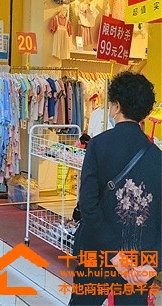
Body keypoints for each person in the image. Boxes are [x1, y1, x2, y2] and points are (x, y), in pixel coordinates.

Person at [70, 71, 160, 306]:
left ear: (116, 106)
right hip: (140, 261)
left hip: (97, 253)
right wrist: (153, 266)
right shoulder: (157, 158)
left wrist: (115, 255)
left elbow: (88, 205)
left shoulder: (98, 145)